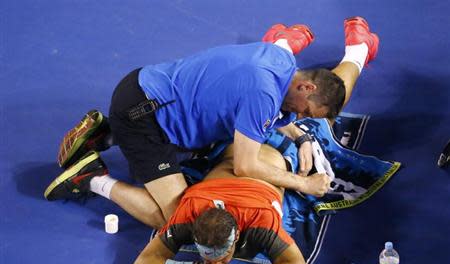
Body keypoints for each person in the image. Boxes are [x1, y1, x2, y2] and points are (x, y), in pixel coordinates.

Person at [44, 17, 379, 230]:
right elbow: (246, 166)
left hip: (149, 92)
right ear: (306, 87)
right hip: (144, 117)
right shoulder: (262, 92)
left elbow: (270, 114)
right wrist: (302, 185)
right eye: (306, 112)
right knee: (177, 219)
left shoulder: (281, 61)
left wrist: (302, 136)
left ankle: (109, 133)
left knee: (221, 142)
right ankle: (91, 178)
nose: (302, 118)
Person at [131, 143, 311, 264]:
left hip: (277, 154)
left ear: (237, 235)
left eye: (223, 258)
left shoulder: (260, 220)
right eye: (208, 259)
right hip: (229, 149)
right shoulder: (188, 213)